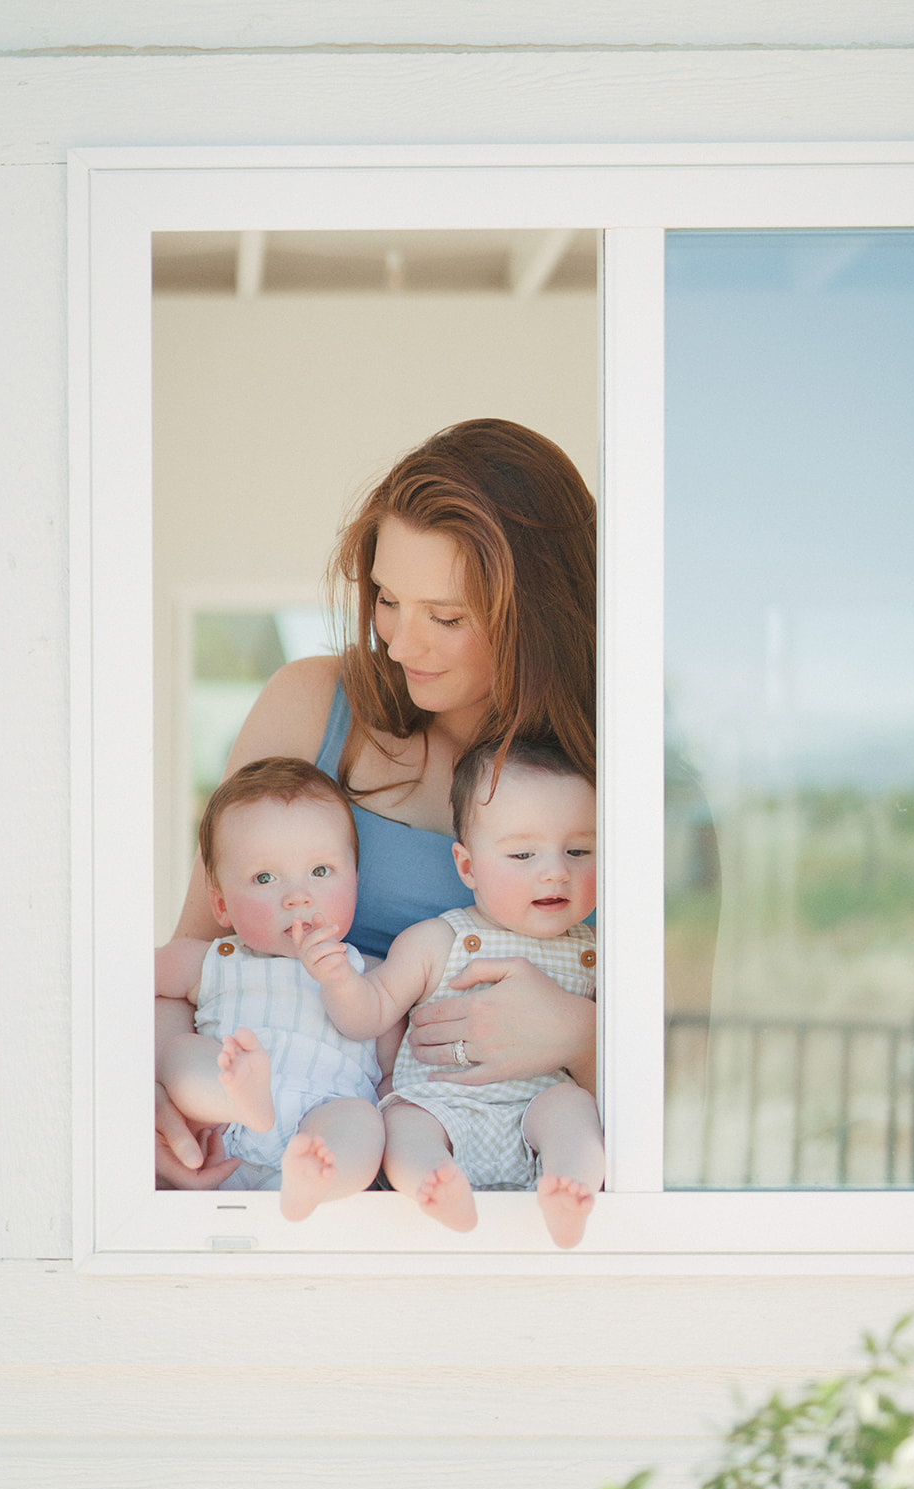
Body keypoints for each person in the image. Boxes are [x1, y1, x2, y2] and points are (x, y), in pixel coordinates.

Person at [156, 417, 597, 1191]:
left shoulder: (617, 773)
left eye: (447, 617)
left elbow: (686, 1058)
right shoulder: (310, 707)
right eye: (388, 598)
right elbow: (193, 960)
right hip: (284, 1162)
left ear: (539, 615)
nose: (398, 643)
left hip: (498, 1198)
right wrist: (160, 1095)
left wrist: (579, 1031)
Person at [296, 740, 603, 1248]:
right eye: (523, 853)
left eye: (578, 851)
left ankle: (568, 1187)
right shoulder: (437, 940)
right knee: (400, 1122)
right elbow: (367, 1015)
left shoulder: (597, 955)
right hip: (441, 1107)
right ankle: (435, 1184)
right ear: (468, 868)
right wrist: (339, 981)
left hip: (535, 1116)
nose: (555, 870)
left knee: (572, 1107)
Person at [154, 758, 385, 1219]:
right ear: (220, 903)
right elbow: (114, 986)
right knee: (181, 1052)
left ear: (356, 882)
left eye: (321, 872)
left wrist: (341, 983)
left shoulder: (372, 975)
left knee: (366, 1122)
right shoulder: (209, 960)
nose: (297, 896)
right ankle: (239, 1098)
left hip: (324, 1116)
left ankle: (302, 1186)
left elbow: (398, 1069)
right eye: (265, 877)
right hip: (219, 1128)